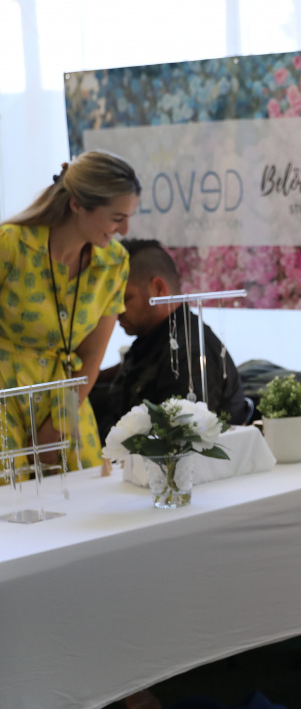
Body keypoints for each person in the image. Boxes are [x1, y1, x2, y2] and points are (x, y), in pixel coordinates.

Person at [0, 152, 139, 477]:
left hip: (66, 400)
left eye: (129, 217)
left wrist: (59, 424)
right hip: (5, 396)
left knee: (85, 497)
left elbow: (91, 357)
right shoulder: (11, 245)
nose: (124, 229)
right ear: (77, 204)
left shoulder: (114, 263)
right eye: (117, 217)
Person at [90, 239, 250, 442]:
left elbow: (175, 444)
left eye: (124, 299)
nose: (116, 311)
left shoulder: (189, 353)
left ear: (158, 288)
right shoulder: (151, 340)